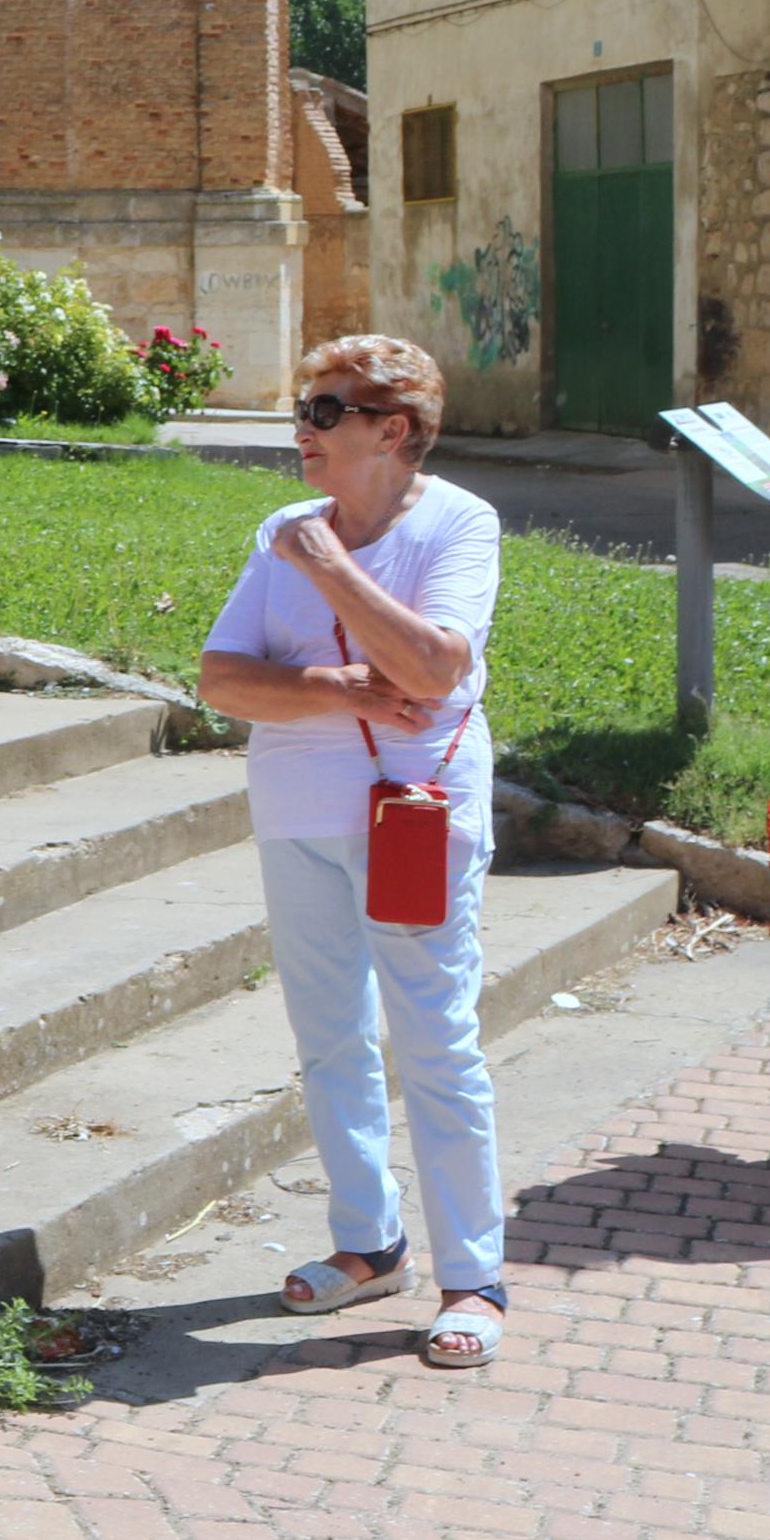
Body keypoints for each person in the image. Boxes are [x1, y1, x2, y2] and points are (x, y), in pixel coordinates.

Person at [194, 335, 510, 1373]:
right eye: (301, 409)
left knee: (432, 1038)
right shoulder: (277, 527)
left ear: (394, 431)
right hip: (294, 806)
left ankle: (473, 1275)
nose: (302, 432)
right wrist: (331, 687)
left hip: (413, 813)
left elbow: (431, 664)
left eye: (325, 413)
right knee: (327, 1035)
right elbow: (221, 678)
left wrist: (327, 566)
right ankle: (368, 1242)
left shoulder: (457, 523)